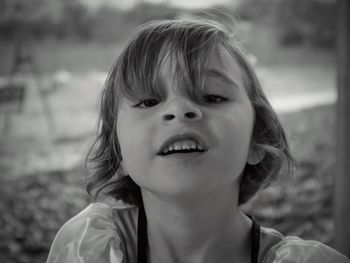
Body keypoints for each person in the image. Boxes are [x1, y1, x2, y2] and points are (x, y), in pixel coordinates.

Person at [46, 10, 350, 263]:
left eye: (212, 97)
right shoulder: (86, 250)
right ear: (119, 152)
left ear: (257, 139)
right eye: (149, 101)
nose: (179, 110)